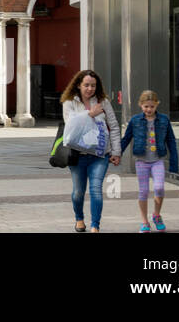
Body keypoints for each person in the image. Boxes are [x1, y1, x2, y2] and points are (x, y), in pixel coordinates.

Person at [61, 68, 121, 233]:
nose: (90, 89)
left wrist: (116, 152)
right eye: (86, 85)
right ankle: (79, 219)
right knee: (78, 192)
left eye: (93, 85)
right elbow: (71, 126)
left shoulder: (104, 102)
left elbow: (114, 127)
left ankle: (95, 225)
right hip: (77, 156)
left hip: (100, 155)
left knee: (96, 189)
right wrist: (90, 114)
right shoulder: (69, 102)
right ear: (79, 85)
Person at [120, 89, 178, 232]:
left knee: (159, 187)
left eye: (152, 106)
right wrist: (116, 154)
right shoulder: (135, 121)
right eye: (146, 106)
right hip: (141, 161)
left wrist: (174, 162)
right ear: (141, 105)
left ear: (156, 105)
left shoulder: (164, 120)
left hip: (158, 160)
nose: (149, 109)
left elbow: (171, 140)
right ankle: (144, 222)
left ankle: (156, 215)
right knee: (144, 191)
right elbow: (126, 139)